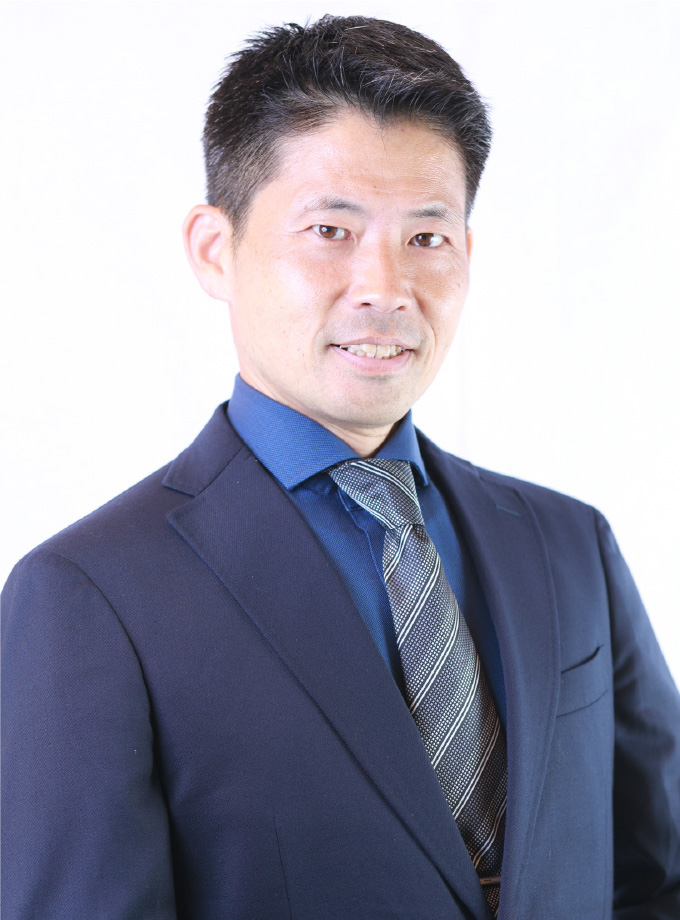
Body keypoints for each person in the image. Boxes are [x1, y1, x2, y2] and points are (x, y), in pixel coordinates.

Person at [2, 14, 679, 920]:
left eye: (427, 238)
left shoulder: (569, 544)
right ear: (214, 250)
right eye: (330, 230)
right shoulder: (89, 595)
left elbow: (660, 876)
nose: (385, 289)